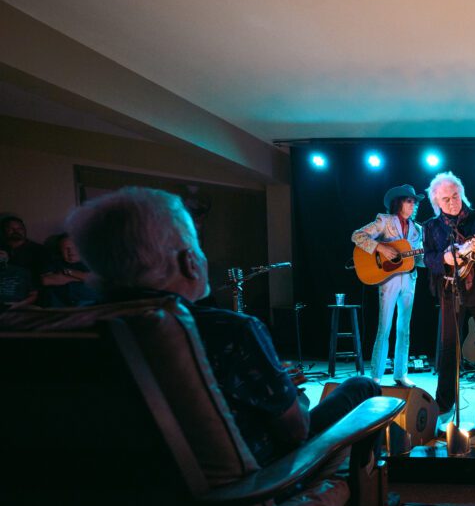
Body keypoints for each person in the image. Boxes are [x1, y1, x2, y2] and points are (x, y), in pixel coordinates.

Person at [66, 187, 379, 468]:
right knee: (362, 386)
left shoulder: (69, 329)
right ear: (190, 261)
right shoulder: (230, 330)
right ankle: (377, 499)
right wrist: (293, 396)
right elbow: (295, 431)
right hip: (258, 483)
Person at [421, 171, 475, 416]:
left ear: (462, 194)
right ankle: (445, 400)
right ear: (436, 202)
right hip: (449, 290)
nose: (452, 201)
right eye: (446, 199)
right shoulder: (431, 226)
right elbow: (427, 257)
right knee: (448, 345)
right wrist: (443, 258)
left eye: (455, 196)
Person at [352, 184, 425, 387]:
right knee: (384, 327)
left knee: (404, 328)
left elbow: (419, 260)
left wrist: (433, 256)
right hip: (388, 280)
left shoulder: (418, 229)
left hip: (409, 279)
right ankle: (376, 375)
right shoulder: (384, 221)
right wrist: (381, 247)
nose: (414, 205)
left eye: (415, 202)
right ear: (398, 202)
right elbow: (357, 235)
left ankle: (400, 374)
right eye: (410, 201)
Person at [40, 233, 98, 307]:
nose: (70, 251)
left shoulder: (91, 261)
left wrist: (70, 273)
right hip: (61, 306)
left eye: (74, 247)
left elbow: (100, 280)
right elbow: (44, 280)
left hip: (90, 303)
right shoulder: (55, 262)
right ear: (60, 250)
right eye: (66, 248)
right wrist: (82, 277)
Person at [1, 213, 49, 294]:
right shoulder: (2, 248)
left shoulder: (39, 250)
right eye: (11, 229)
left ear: (24, 230)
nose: (16, 231)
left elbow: (43, 278)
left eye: (19, 228)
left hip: (29, 292)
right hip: (5, 292)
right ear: (4, 231)